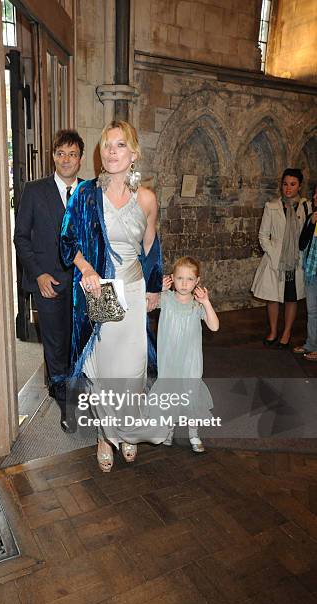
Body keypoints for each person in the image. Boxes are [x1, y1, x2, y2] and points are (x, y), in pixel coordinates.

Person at [60, 120, 163, 472]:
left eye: (120, 146)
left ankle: (128, 431)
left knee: (132, 371)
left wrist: (154, 288)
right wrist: (87, 269)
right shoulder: (86, 194)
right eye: (107, 146)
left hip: (133, 293)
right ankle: (105, 436)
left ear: (133, 154)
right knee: (105, 371)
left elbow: (151, 248)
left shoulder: (147, 198)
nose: (112, 152)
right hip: (103, 291)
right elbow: (67, 242)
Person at [14, 129, 84, 432]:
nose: (65, 159)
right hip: (48, 281)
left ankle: (79, 391)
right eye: (60, 153)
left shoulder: (90, 191)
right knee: (55, 344)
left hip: (84, 284)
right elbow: (21, 238)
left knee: (79, 341)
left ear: (80, 159)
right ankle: (65, 403)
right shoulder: (34, 190)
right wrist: (39, 274)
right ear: (52, 156)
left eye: (72, 154)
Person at [156, 257, 219, 452]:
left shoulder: (198, 305)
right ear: (172, 278)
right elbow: (143, 306)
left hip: (190, 361)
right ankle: (169, 429)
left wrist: (207, 303)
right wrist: (157, 291)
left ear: (197, 281)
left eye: (190, 279)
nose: (184, 283)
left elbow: (214, 327)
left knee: (190, 394)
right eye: (180, 278)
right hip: (169, 360)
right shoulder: (165, 299)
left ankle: (194, 433)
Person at [251, 168, 311, 348]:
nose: (288, 188)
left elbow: (307, 234)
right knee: (273, 297)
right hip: (275, 259)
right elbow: (263, 235)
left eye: (292, 184)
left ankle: (287, 333)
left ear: (299, 186)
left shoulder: (305, 206)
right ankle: (273, 331)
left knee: (291, 298)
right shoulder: (272, 206)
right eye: (285, 184)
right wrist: (273, 251)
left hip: (295, 259)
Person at [293, 184, 317, 361]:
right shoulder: (311, 217)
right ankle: (311, 344)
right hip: (311, 271)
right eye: (315, 194)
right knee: (312, 311)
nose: (315, 198)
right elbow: (302, 244)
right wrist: (312, 223)